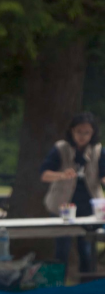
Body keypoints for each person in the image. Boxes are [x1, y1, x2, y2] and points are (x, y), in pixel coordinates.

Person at [40, 111, 105, 273]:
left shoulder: (98, 151)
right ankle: (59, 285)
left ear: (93, 133)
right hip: (63, 205)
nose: (82, 136)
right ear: (72, 131)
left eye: (87, 133)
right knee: (62, 248)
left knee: (87, 249)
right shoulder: (60, 148)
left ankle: (86, 285)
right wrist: (62, 175)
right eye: (79, 132)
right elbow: (44, 174)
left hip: (89, 207)